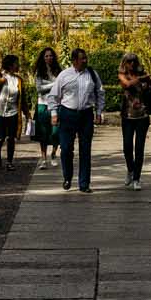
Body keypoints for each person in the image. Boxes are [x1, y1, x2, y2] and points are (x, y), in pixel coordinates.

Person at [50, 46, 106, 193]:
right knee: (66, 148)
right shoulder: (64, 75)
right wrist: (54, 113)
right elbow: (54, 96)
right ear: (74, 61)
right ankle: (67, 177)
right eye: (82, 59)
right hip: (67, 114)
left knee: (85, 149)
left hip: (86, 115)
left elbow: (100, 93)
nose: (85, 61)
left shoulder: (92, 74)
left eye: (86, 58)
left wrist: (99, 112)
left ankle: (84, 184)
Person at [117, 53, 151, 190]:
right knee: (127, 147)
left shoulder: (143, 75)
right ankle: (130, 169)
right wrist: (141, 79)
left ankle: (136, 178)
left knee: (139, 148)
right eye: (129, 61)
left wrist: (149, 84)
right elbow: (127, 84)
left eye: (134, 61)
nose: (132, 64)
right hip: (128, 116)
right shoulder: (123, 75)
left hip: (142, 115)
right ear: (125, 63)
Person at [0, 53, 24, 167]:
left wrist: (27, 114)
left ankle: (9, 162)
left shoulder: (19, 80)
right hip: (0, 112)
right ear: (10, 65)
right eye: (16, 63)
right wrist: (0, 82)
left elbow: (22, 99)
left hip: (13, 113)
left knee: (11, 138)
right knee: (0, 137)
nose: (18, 65)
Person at [32, 47, 62, 165]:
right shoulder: (39, 72)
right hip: (43, 105)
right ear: (43, 58)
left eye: (51, 55)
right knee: (43, 133)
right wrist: (54, 84)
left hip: (56, 105)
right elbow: (39, 89)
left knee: (56, 132)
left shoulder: (59, 70)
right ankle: (44, 158)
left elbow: (61, 86)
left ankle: (53, 155)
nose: (49, 58)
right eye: (46, 56)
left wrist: (50, 85)